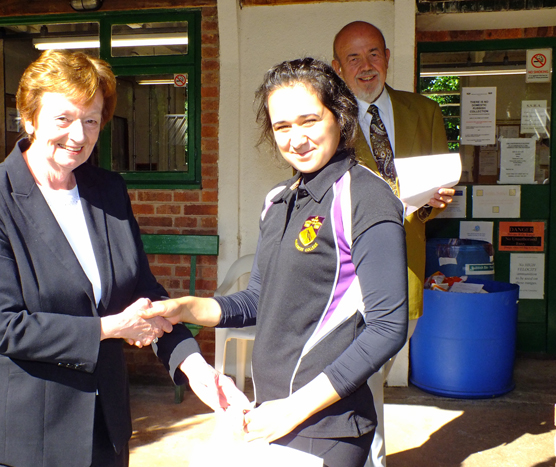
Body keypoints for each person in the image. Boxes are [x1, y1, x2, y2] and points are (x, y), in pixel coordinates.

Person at [0, 49, 245, 467]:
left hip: (103, 428)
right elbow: (4, 326)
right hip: (20, 433)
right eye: (63, 118)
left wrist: (196, 369)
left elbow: (143, 293)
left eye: (91, 120)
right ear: (29, 117)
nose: (79, 134)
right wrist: (111, 328)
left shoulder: (107, 190)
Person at [143, 58, 408, 467]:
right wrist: (185, 308)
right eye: (282, 127)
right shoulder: (277, 200)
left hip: (329, 426)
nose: (296, 138)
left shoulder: (365, 197)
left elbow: (388, 327)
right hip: (270, 413)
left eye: (309, 120)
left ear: (339, 116)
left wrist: (293, 409)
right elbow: (257, 299)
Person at [331, 20, 455, 467]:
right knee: (357, 376)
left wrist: (433, 202)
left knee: (374, 374)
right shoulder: (328, 119)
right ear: (337, 66)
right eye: (353, 58)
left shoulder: (424, 111)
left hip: (405, 267)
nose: (366, 67)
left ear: (387, 57)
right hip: (346, 272)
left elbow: (435, 193)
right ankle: (366, 457)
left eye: (374, 54)